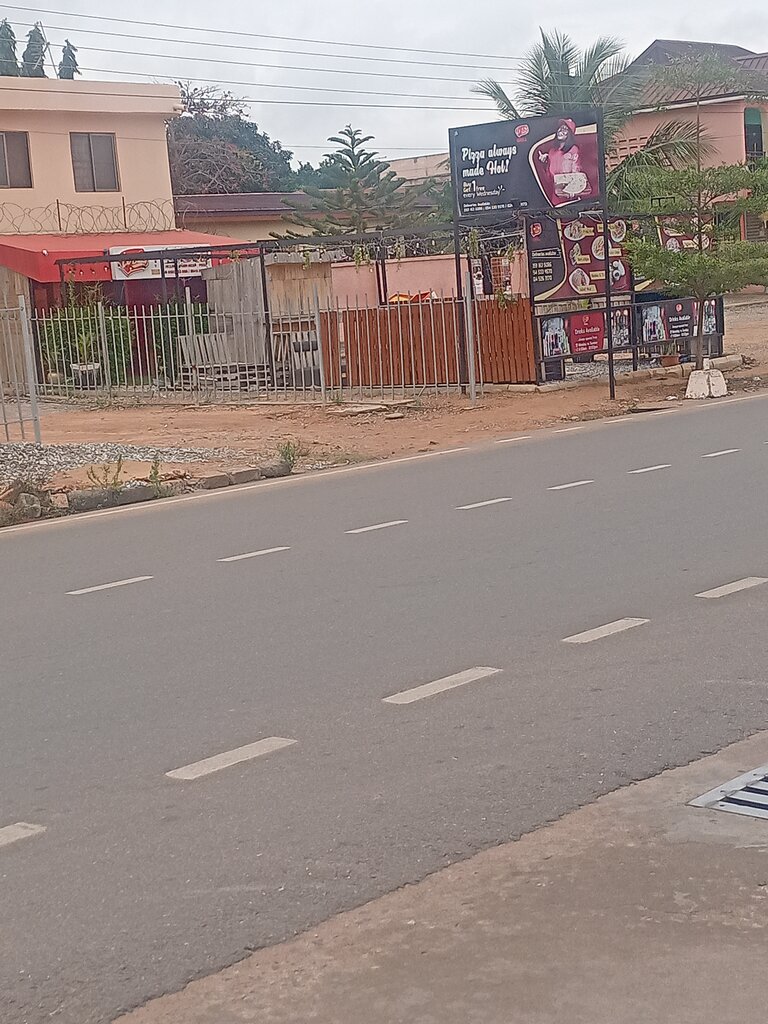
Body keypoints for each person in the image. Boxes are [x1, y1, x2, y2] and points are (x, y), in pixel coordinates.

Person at [539, 119, 592, 200]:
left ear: (570, 134)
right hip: (556, 195)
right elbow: (549, 178)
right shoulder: (552, 151)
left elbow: (577, 170)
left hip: (571, 195)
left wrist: (574, 190)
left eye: (565, 129)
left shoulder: (574, 150)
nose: (561, 131)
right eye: (560, 128)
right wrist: (545, 162)